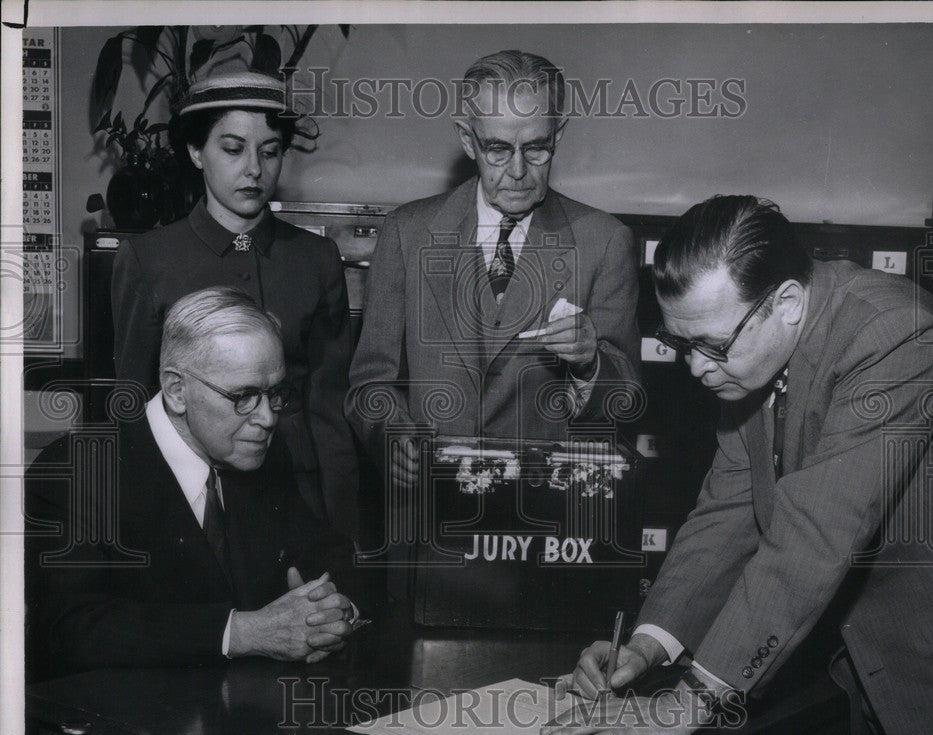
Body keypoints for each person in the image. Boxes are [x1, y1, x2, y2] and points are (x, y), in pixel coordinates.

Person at [542, 195, 933, 735]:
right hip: (856, 673)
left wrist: (689, 701)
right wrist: (646, 647)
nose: (697, 369)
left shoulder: (895, 336)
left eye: (714, 345)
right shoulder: (752, 361)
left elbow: (815, 531)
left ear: (788, 303)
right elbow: (727, 512)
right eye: (681, 343)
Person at [25, 288, 364, 682]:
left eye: (275, 394)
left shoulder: (262, 453)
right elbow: (67, 630)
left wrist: (335, 613)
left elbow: (330, 553)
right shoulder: (78, 471)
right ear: (176, 390)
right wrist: (243, 633)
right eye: (243, 396)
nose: (268, 418)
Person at [346, 50, 640, 485]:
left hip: (544, 520)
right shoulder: (408, 232)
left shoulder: (605, 241)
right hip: (432, 512)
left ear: (558, 133)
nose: (518, 171)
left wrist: (589, 364)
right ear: (468, 140)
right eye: (498, 149)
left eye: (537, 148)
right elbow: (369, 384)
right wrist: (393, 434)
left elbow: (626, 400)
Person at [110, 70, 357, 537]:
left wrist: (342, 529)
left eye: (269, 152)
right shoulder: (147, 259)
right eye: (232, 148)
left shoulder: (315, 258)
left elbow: (331, 408)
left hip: (297, 500)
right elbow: (132, 405)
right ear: (195, 152)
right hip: (192, 505)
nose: (254, 170)